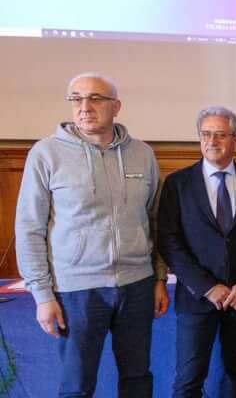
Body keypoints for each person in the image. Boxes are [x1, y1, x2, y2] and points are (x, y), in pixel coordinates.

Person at [15, 72, 169, 397]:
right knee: (77, 386)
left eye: (95, 98)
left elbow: (157, 221)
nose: (84, 106)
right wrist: (42, 296)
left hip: (137, 286)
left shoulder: (142, 153)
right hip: (76, 290)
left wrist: (158, 278)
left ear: (116, 106)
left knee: (138, 379)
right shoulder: (46, 154)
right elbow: (29, 228)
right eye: (76, 98)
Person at [158, 106, 236, 398]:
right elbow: (169, 241)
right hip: (197, 298)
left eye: (220, 135)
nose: (212, 141)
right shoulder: (178, 184)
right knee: (188, 380)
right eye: (206, 134)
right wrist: (208, 287)